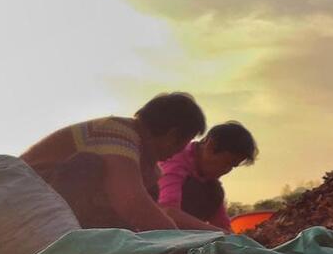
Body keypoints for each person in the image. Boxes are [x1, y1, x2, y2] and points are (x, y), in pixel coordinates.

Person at [21, 92, 206, 231]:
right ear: (172, 136)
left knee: (150, 188)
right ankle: (62, 239)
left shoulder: (142, 156)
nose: (179, 152)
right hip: (22, 199)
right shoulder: (116, 132)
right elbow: (132, 203)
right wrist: (176, 242)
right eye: (183, 143)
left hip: (40, 203)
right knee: (87, 165)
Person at [158, 122, 257, 232]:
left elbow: (222, 225)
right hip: (148, 231)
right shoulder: (175, 159)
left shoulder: (210, 184)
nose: (226, 170)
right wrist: (220, 234)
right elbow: (167, 211)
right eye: (226, 163)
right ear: (211, 146)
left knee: (215, 190)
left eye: (232, 167)